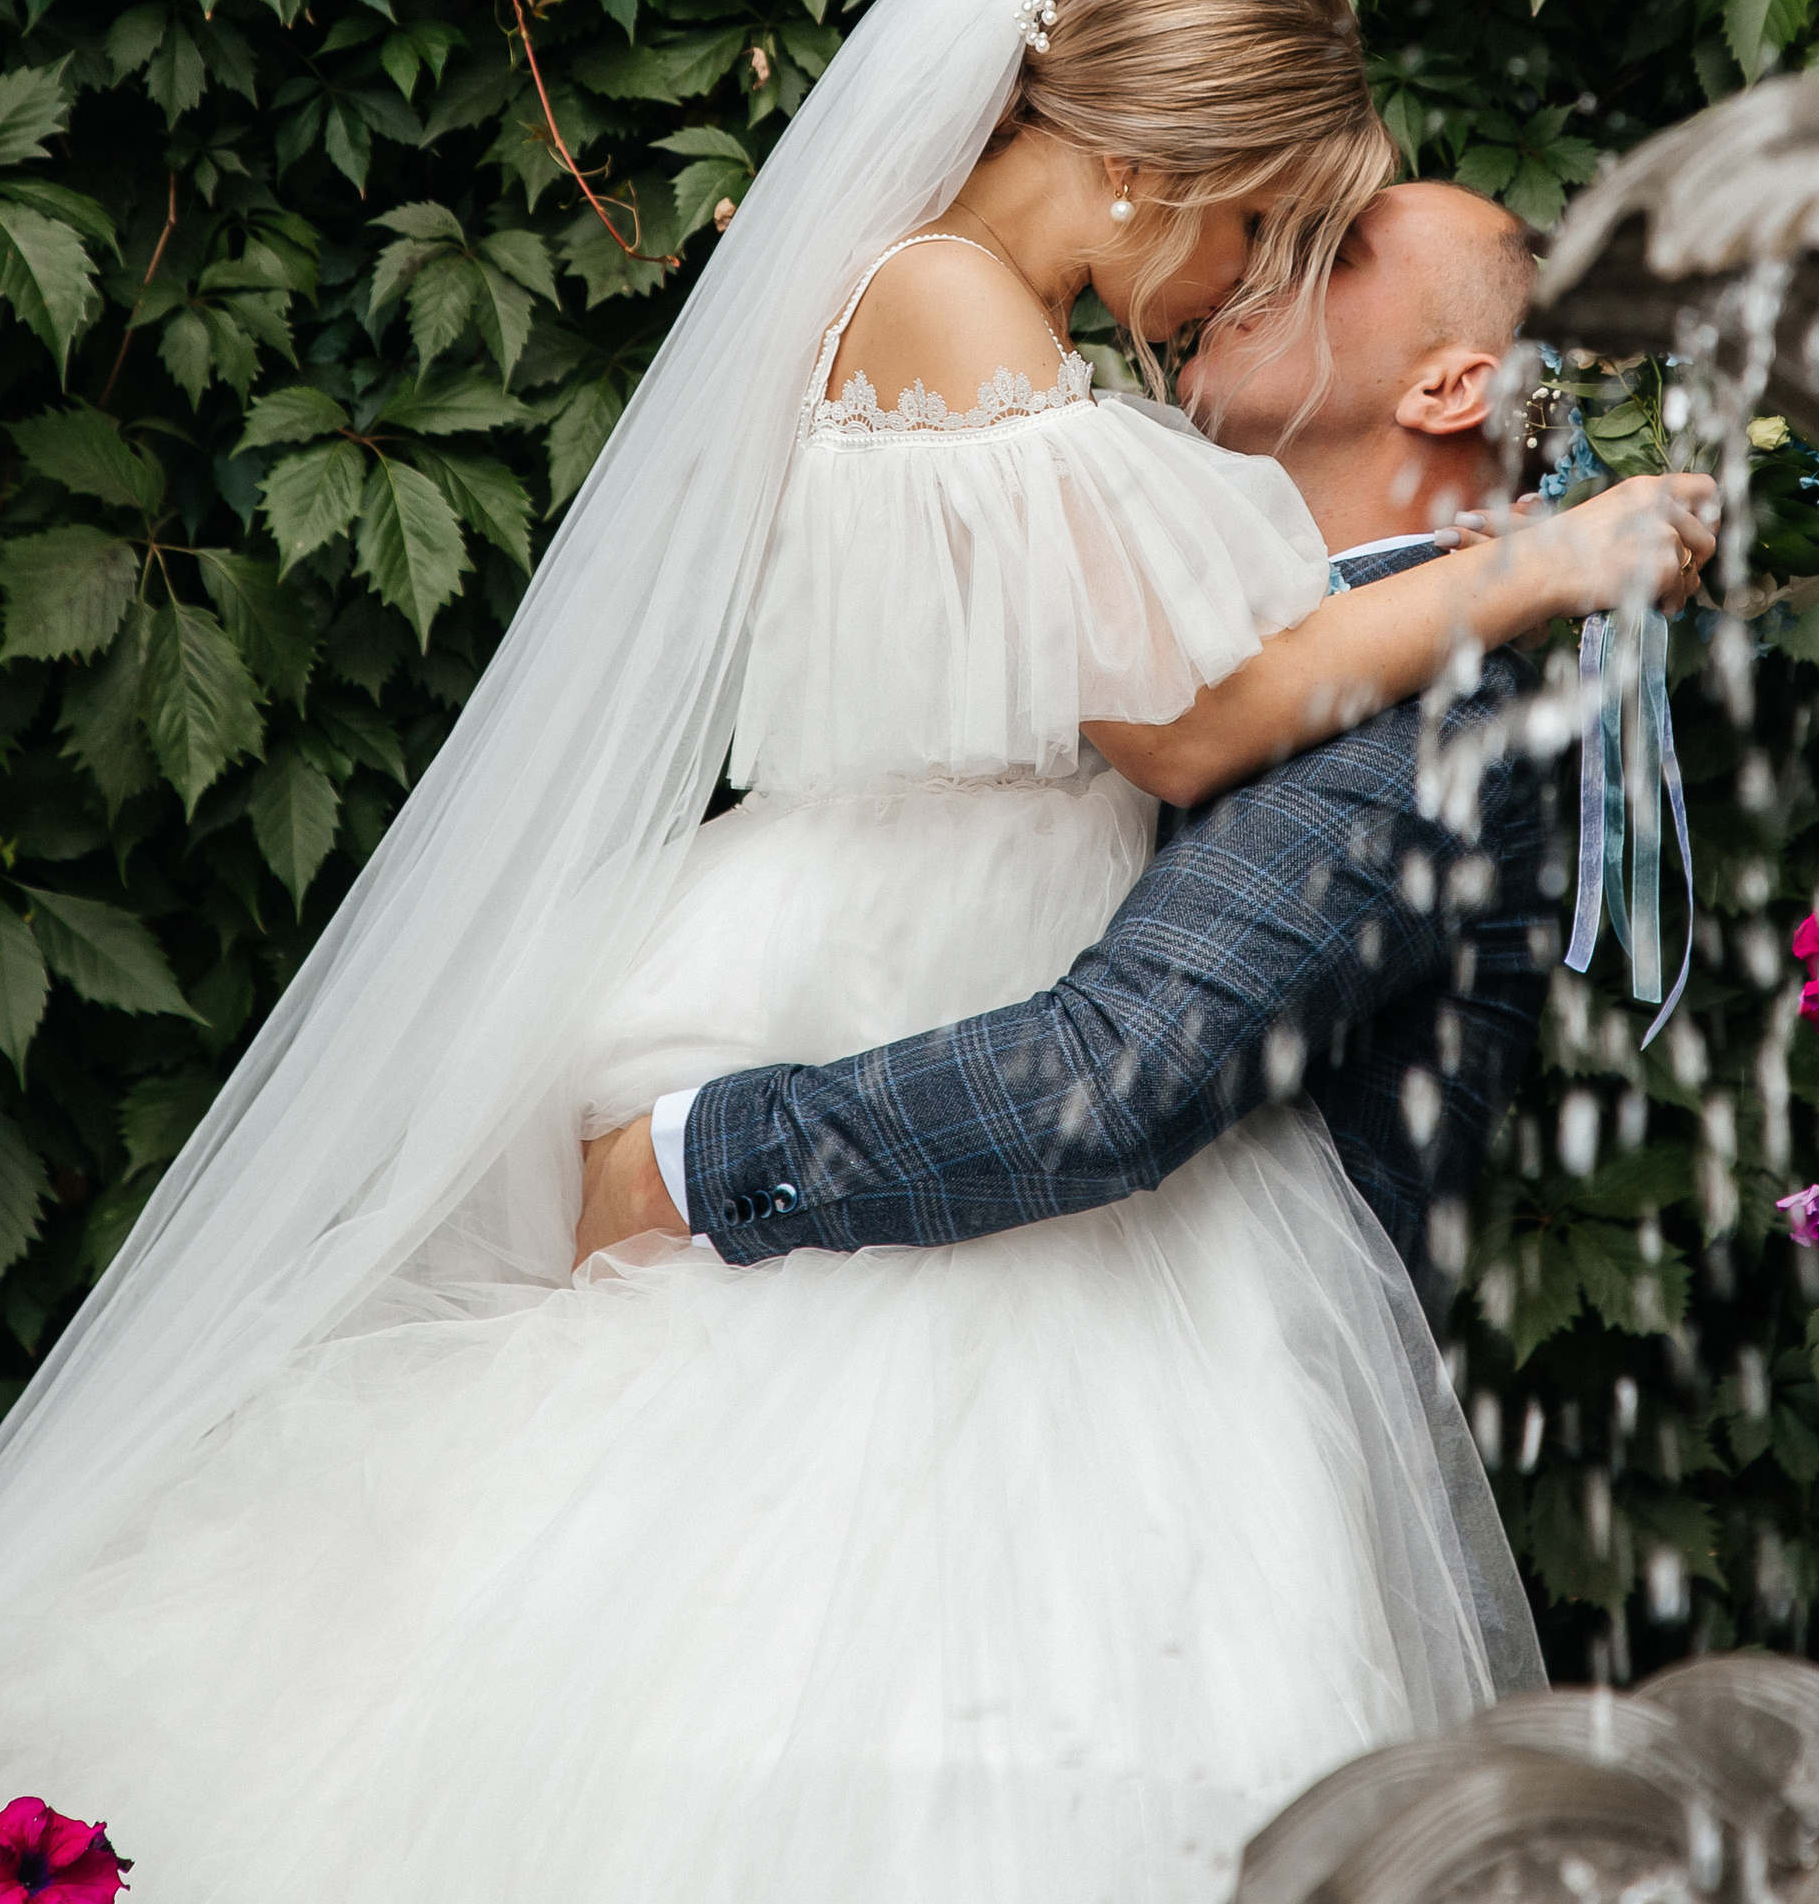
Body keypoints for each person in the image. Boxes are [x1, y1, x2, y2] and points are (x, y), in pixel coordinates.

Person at [0, 0, 1714, 1904]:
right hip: (898, 965)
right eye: (1257, 233)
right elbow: (1197, 724)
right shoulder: (949, 303)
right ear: (1174, 172)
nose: (1235, 293)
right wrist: (1538, 563)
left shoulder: (977, 318)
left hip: (941, 974)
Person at [577, 177, 1616, 1328]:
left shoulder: (1441, 714)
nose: (1259, 263)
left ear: (1452, 386)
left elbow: (1113, 1080)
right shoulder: (1181, 614)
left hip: (1181, 1402)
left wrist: (677, 1171)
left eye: (1338, 252)